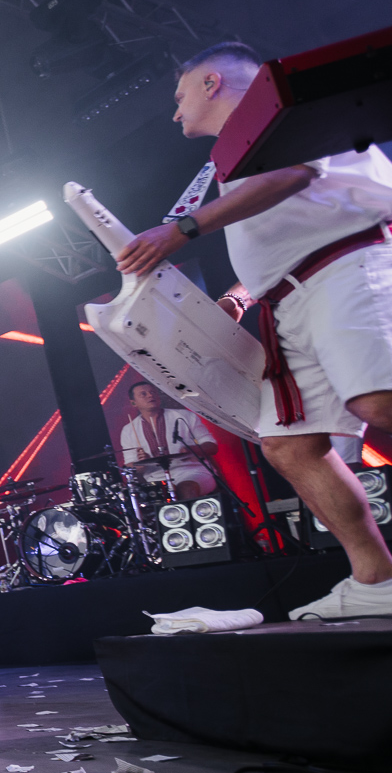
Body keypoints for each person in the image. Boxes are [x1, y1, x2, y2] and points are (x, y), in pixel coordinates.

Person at [115, 41, 392, 619]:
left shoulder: (285, 109)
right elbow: (283, 230)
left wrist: (181, 231)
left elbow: (295, 174)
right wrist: (242, 295)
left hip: (350, 265)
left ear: (211, 83)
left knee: (379, 402)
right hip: (292, 298)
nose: (175, 111)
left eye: (180, 95)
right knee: (289, 445)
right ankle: (378, 579)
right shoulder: (233, 155)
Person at [118, 379, 220, 501]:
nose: (150, 395)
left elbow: (212, 446)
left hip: (192, 471)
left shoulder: (185, 416)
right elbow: (129, 465)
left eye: (153, 392)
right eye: (143, 394)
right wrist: (141, 463)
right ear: (134, 403)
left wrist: (192, 450)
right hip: (156, 478)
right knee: (153, 496)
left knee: (186, 488)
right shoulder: (129, 430)